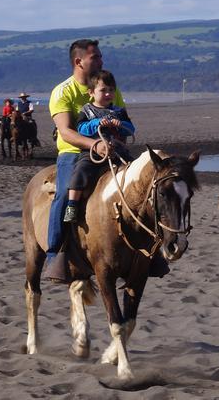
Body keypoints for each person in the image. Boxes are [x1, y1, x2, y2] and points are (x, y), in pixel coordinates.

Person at [39, 40, 169, 283]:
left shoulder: (109, 86)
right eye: (96, 57)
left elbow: (123, 118)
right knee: (65, 191)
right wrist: (94, 144)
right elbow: (66, 132)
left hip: (113, 149)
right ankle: (56, 253)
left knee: (144, 188)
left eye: (100, 56)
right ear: (79, 62)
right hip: (75, 153)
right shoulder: (63, 91)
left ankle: (151, 249)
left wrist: (118, 136)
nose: (101, 60)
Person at [62, 70, 135, 224]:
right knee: (80, 171)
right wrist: (96, 123)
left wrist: (121, 124)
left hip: (118, 150)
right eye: (103, 90)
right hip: (92, 152)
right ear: (91, 92)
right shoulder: (87, 111)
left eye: (111, 90)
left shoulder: (119, 111)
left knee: (134, 169)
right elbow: (81, 128)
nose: (108, 94)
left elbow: (131, 129)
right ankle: (72, 205)